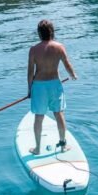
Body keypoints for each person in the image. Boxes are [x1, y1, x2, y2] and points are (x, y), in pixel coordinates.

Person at [27, 19, 77, 155]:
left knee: (39, 116)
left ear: (39, 33)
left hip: (39, 86)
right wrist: (73, 75)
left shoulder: (33, 50)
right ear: (52, 32)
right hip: (55, 84)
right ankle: (62, 146)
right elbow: (67, 64)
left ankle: (37, 149)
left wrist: (29, 89)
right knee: (58, 113)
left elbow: (30, 72)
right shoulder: (59, 47)